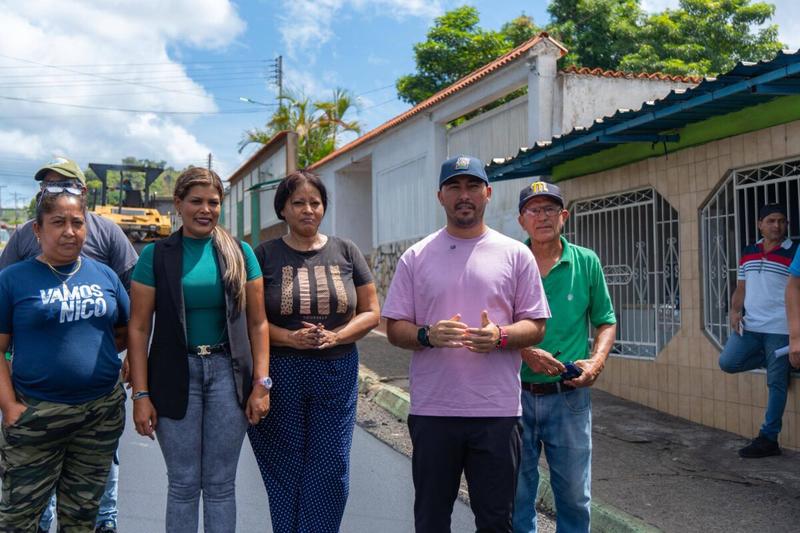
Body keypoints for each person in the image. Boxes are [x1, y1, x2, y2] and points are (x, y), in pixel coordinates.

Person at [382, 155, 550, 533]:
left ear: (488, 193)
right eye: (455, 187)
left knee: (495, 521)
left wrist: (501, 336)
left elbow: (536, 325)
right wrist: (427, 335)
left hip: (497, 413)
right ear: (440, 196)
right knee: (431, 519)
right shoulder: (416, 256)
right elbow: (394, 328)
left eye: (473, 186)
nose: (464, 195)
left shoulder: (515, 253)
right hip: (433, 412)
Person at [127, 167, 270, 533]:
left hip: (227, 376)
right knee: (184, 484)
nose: (205, 209)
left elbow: (258, 324)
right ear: (178, 204)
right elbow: (139, 328)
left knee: (221, 485)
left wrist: (261, 384)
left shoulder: (240, 253)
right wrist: (141, 395)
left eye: (213, 202)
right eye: (196, 201)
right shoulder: (156, 256)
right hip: (175, 376)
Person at [0, 157, 137, 533]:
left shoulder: (105, 272)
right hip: (35, 415)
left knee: (83, 518)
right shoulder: (14, 278)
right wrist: (10, 406)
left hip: (98, 415)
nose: (69, 231)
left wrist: (120, 368)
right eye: (57, 223)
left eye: (76, 223)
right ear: (37, 230)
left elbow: (128, 329)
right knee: (19, 520)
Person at [248, 170, 380, 533]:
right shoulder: (265, 255)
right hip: (281, 373)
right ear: (283, 210)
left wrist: (337, 337)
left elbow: (371, 312)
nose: (308, 210)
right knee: (285, 464)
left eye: (315, 202)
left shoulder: (346, 251)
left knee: (331, 465)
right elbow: (251, 320)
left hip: (335, 373)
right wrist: (291, 339)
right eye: (298, 203)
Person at [512, 181, 617, 533]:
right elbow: (492, 325)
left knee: (574, 497)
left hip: (569, 397)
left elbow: (606, 321)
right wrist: (524, 350)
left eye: (550, 209)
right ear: (521, 220)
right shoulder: (510, 262)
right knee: (517, 495)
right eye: (534, 210)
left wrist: (597, 361)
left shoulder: (586, 262)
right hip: (514, 396)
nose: (543, 217)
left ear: (564, 216)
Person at [719, 203, 797, 458]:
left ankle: (768, 438)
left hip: (780, 329)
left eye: (782, 221)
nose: (777, 226)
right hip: (751, 327)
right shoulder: (748, 252)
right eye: (771, 221)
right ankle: (778, 361)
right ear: (759, 224)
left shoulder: (794, 251)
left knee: (775, 383)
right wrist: (734, 310)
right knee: (728, 362)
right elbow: (741, 287)